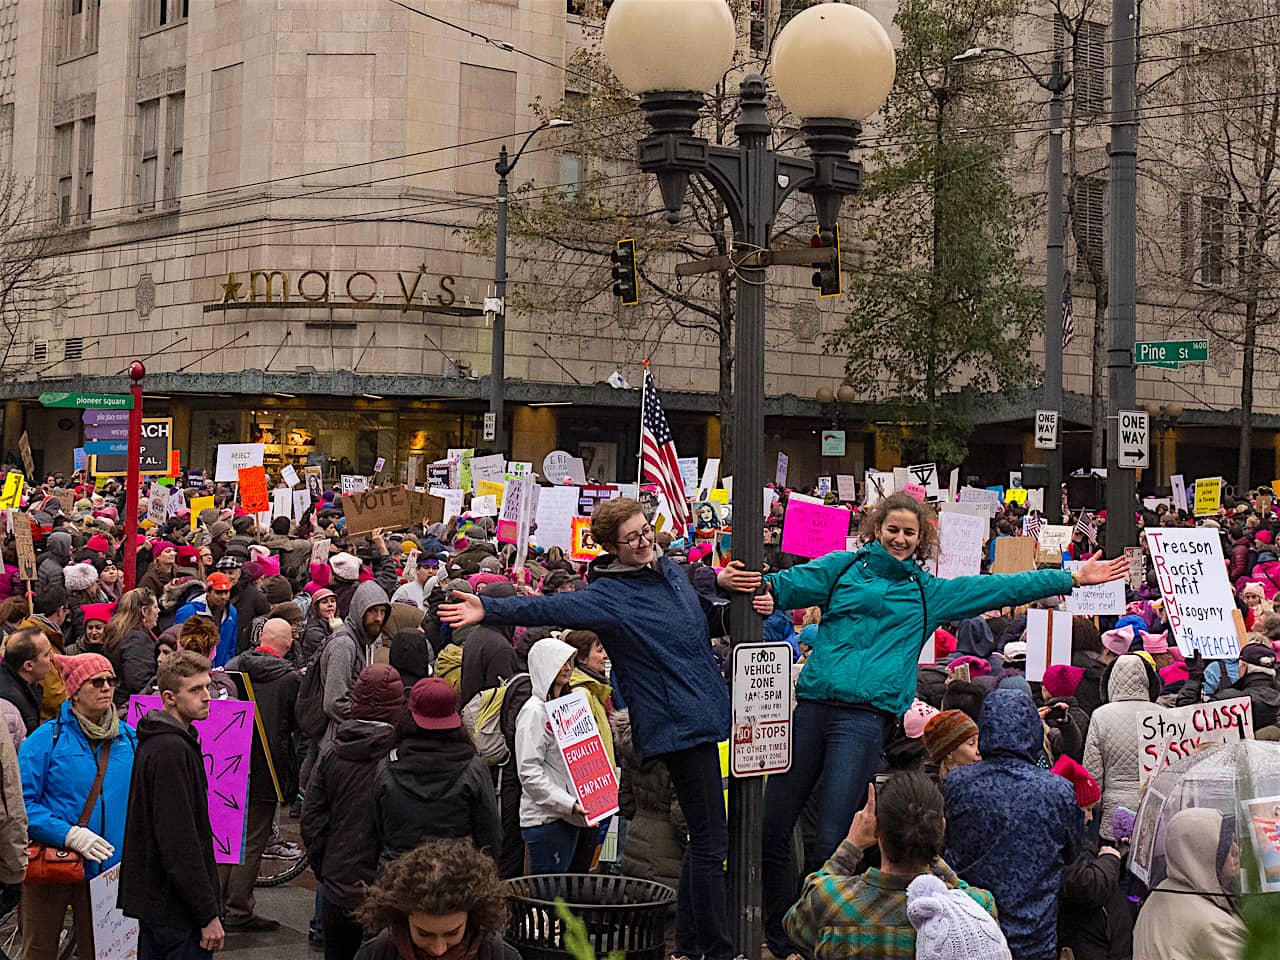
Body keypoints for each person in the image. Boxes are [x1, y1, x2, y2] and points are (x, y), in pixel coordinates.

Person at [756, 492, 1124, 958]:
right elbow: (781, 587)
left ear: (922, 540)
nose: (900, 539)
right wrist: (747, 581)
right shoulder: (842, 569)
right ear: (876, 531)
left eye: (910, 533)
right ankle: (778, 933)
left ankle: (812, 945)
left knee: (832, 838)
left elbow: (1003, 587)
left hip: (864, 720)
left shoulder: (929, 594)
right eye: (893, 530)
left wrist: (1071, 576)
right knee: (770, 827)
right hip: (811, 707)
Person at [441, 497, 773, 960]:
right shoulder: (609, 597)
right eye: (633, 538)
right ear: (612, 548)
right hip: (677, 724)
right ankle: (714, 950)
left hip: (704, 710)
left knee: (704, 839)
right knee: (711, 842)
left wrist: (741, 605)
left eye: (646, 531)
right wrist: (490, 610)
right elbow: (549, 608)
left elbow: (702, 617)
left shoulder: (671, 571)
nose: (644, 542)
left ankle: (696, 945)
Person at [785, 771, 1006, 960]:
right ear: (941, 829)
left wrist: (850, 847)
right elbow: (964, 894)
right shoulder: (977, 906)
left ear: (877, 830)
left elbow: (796, 923)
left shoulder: (829, 901)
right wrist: (931, 850)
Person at [942, 689, 1083, 960]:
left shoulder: (958, 783)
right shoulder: (1058, 791)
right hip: (1033, 936)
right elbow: (1071, 853)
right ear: (1031, 728)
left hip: (972, 929)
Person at [19, 653, 138, 960]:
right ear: (74, 690)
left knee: (104, 953)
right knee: (40, 949)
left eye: (111, 681)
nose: (106, 688)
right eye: (95, 682)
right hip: (52, 866)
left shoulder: (129, 738)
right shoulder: (46, 739)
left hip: (109, 871)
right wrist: (68, 834)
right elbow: (21, 805)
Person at [119, 650, 224, 959]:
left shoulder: (167, 741)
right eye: (195, 690)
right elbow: (178, 840)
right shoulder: (170, 750)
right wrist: (207, 914)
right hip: (175, 910)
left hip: (161, 903)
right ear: (169, 697)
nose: (207, 696)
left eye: (207, 687)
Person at [303, 664, 405, 960]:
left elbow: (312, 819)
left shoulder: (332, 753)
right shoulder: (401, 757)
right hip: (387, 887)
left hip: (339, 882)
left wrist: (326, 867)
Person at [221, 618, 300, 931]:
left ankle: (216, 903)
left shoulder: (232, 666)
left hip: (229, 763)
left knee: (225, 838)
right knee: (253, 841)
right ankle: (239, 908)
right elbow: (297, 723)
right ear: (288, 643)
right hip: (268, 765)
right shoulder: (289, 679)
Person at [374, 677, 500, 866]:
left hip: (398, 881)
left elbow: (376, 832)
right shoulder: (474, 769)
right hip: (459, 879)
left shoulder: (387, 768)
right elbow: (490, 836)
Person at [353, 838, 519, 960]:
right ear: (403, 916)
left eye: (452, 933)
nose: (439, 949)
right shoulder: (376, 954)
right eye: (424, 934)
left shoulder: (500, 955)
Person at [514, 636, 596, 874]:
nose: (568, 668)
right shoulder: (533, 712)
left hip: (568, 817)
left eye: (570, 662)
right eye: (560, 662)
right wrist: (568, 803)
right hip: (546, 820)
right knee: (546, 902)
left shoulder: (565, 706)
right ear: (544, 665)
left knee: (561, 897)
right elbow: (529, 772)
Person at [1132, 807, 1244, 960]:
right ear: (1201, 855)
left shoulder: (1160, 893)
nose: (1237, 850)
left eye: (1234, 840)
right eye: (1226, 847)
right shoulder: (1215, 927)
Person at [1082, 654, 1164, 842]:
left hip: (1114, 811)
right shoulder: (1162, 715)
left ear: (1111, 681)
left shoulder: (1100, 716)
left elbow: (1092, 772)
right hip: (1153, 809)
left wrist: (1094, 806)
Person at [319, 581, 390, 748]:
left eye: (382, 612)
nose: (378, 618)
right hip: (339, 739)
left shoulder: (363, 640)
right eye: (373, 611)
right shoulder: (344, 645)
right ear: (360, 611)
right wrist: (367, 722)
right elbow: (334, 703)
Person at [105, 587, 161, 708]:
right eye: (155, 607)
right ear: (144, 611)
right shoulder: (137, 638)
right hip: (131, 705)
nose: (158, 611)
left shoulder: (121, 632)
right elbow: (138, 680)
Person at [173, 572, 238, 667]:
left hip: (221, 670)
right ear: (207, 591)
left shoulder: (232, 612)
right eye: (218, 592)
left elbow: (231, 645)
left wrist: (226, 668)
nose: (223, 596)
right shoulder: (188, 611)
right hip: (194, 670)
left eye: (226, 592)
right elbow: (178, 644)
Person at [0, 626, 53, 734]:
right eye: (47, 654)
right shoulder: (8, 704)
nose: (52, 658)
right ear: (28, 665)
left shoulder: (27, 686)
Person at [922, 709, 980, 780]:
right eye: (971, 743)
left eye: (980, 741)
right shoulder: (932, 789)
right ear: (949, 753)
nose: (979, 750)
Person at [301, 587, 341, 662]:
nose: (330, 605)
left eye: (333, 601)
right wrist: (337, 631)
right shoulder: (312, 632)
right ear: (316, 607)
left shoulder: (337, 623)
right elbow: (332, 652)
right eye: (324, 602)